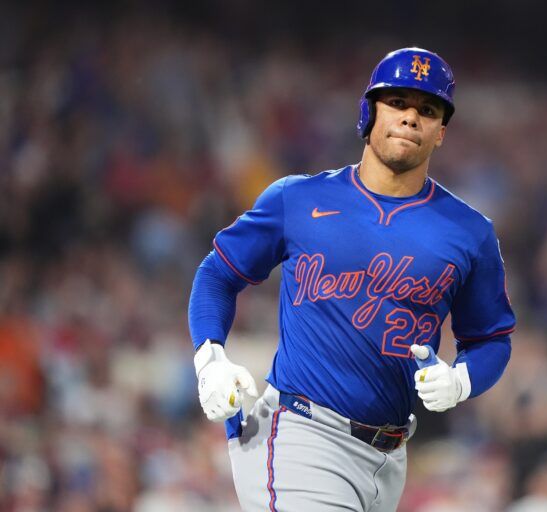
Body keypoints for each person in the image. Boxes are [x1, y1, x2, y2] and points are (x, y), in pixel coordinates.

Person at [188, 47, 516, 511]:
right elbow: (218, 274)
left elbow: (491, 339)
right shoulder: (298, 199)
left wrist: (462, 380)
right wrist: (210, 359)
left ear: (441, 131)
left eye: (427, 110)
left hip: (389, 457)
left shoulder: (470, 233)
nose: (410, 117)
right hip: (301, 434)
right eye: (397, 102)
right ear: (369, 112)